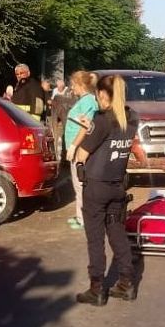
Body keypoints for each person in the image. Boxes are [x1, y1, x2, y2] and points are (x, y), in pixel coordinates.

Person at [74, 74, 147, 306]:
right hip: (117, 185)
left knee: (95, 240)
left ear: (103, 94)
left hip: (96, 186)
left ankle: (97, 289)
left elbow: (82, 155)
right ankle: (126, 284)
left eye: (98, 95)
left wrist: (89, 129)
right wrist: (93, 128)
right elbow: (113, 137)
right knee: (117, 234)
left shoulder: (102, 120)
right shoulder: (131, 118)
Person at [63, 71, 99, 230]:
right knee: (79, 184)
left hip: (80, 149)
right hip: (78, 147)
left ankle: (84, 218)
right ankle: (81, 216)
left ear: (81, 85)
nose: (71, 87)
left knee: (80, 184)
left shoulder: (88, 101)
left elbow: (85, 126)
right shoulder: (85, 100)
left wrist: (74, 146)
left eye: (73, 84)